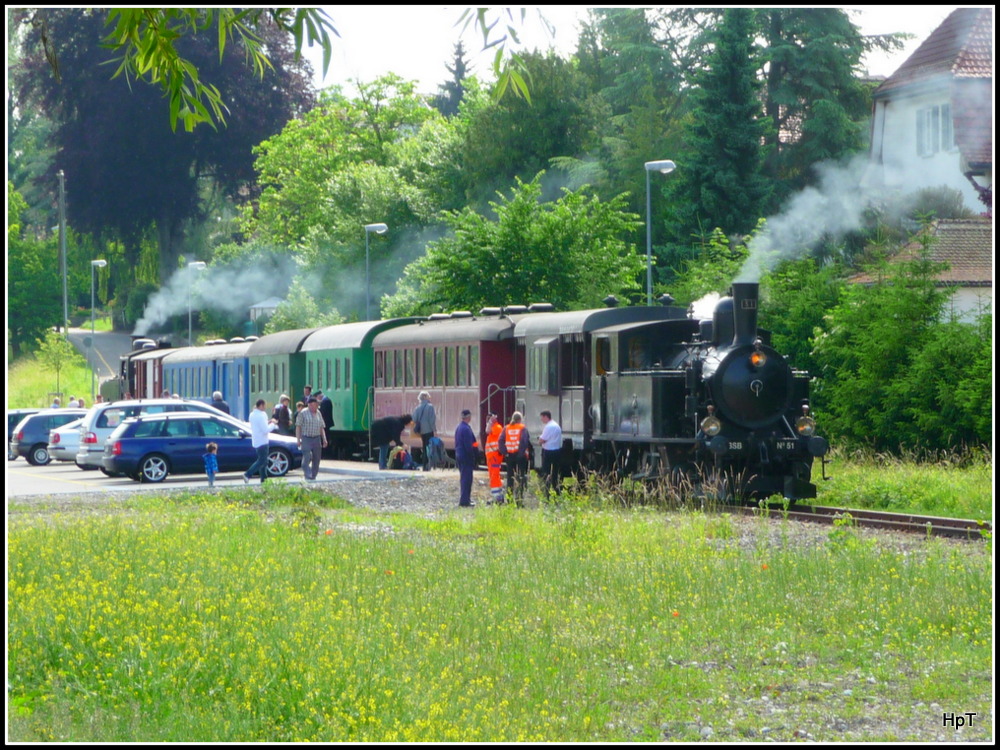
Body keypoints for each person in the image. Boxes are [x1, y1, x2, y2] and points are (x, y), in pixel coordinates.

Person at [499, 411, 530, 504]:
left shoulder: (506, 428)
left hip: (510, 456)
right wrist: (521, 453)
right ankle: (519, 500)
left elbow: (500, 441)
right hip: (520, 456)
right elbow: (524, 441)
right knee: (520, 477)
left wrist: (505, 452)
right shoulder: (522, 428)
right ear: (520, 419)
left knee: (510, 478)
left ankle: (509, 499)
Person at [243, 399, 276, 484]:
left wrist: (268, 422)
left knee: (264, 462)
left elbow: (259, 425)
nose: (265, 407)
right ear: (261, 405)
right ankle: (248, 474)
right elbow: (265, 430)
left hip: (256, 440)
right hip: (263, 441)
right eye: (264, 405)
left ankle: (264, 480)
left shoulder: (252, 414)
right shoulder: (262, 415)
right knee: (262, 460)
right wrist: (273, 424)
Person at [296, 396, 328, 481]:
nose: (316, 407)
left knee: (317, 458)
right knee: (307, 457)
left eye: (317, 405)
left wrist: (324, 439)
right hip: (306, 438)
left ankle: (313, 475)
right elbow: (298, 426)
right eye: (314, 405)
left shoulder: (318, 413)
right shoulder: (303, 413)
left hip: (316, 438)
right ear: (309, 405)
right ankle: (307, 473)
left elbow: (321, 427)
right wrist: (298, 439)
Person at [455, 409, 478, 507]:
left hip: (459, 455)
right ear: (468, 417)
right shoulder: (466, 429)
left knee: (464, 478)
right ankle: (465, 501)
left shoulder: (459, 427)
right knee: (467, 479)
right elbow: (469, 445)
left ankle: (465, 499)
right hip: (466, 457)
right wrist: (473, 456)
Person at [538, 410, 563, 497]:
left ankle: (547, 493)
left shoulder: (548, 427)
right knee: (555, 473)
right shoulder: (557, 426)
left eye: (542, 418)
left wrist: (539, 440)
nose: (541, 420)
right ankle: (557, 491)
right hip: (557, 451)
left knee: (546, 473)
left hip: (548, 451)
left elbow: (542, 440)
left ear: (546, 416)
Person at [411, 391, 437, 471]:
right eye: (428, 396)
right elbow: (431, 420)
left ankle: (425, 465)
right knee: (429, 448)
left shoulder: (417, 408)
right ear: (425, 397)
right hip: (429, 430)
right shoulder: (430, 407)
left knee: (424, 447)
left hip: (421, 431)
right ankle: (428, 465)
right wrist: (434, 430)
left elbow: (414, 419)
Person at [484, 413, 505, 504]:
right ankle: (498, 496)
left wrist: (490, 422)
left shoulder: (497, 427)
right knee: (495, 476)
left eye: (489, 419)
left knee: (494, 476)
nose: (488, 421)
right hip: (493, 456)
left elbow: (487, 430)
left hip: (495, 456)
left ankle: (497, 498)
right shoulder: (496, 428)